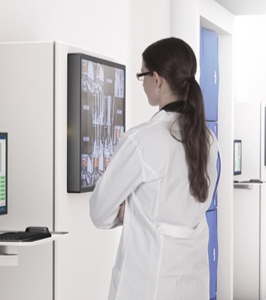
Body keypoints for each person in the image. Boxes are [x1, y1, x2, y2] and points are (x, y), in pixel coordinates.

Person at [89, 37, 219, 300]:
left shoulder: (141, 140)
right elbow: (196, 204)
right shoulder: (207, 138)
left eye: (142, 75)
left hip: (147, 285)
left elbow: (100, 212)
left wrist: (131, 211)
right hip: (191, 283)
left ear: (157, 79)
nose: (143, 83)